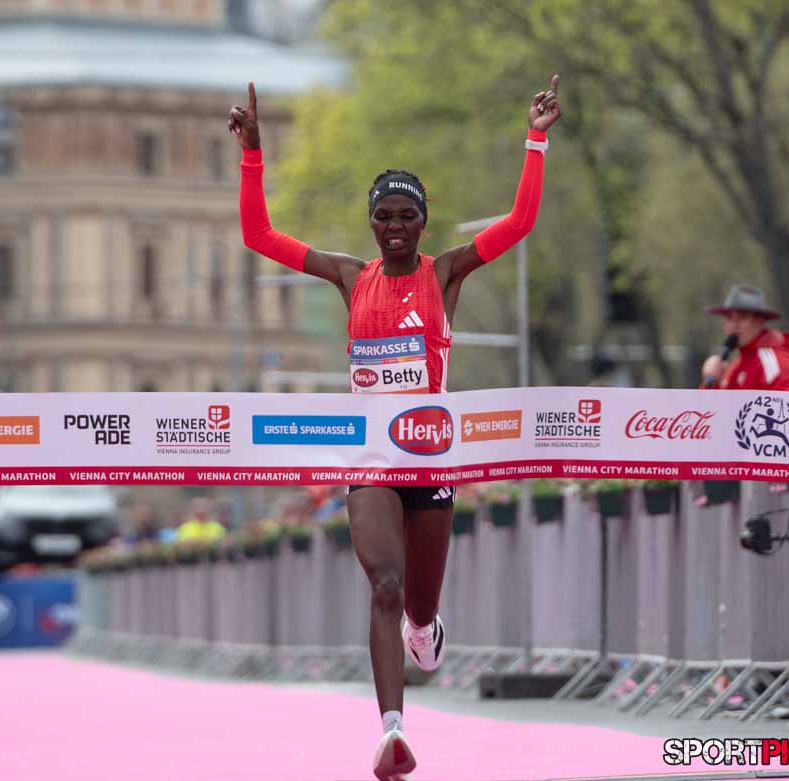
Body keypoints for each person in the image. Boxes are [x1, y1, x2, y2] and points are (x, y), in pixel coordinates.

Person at [230, 75, 560, 780]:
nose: (395, 226)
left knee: (416, 602)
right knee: (383, 581)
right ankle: (391, 732)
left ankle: (424, 627)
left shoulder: (447, 274)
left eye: (407, 215)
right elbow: (258, 234)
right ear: (372, 224)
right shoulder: (351, 278)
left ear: (424, 222)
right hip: (372, 461)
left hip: (431, 462)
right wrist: (253, 153)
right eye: (384, 216)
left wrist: (534, 139)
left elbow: (519, 222)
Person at [700, 284, 789, 391]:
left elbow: (781, 401)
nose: (734, 325)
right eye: (729, 318)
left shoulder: (771, 361)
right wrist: (711, 381)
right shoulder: (736, 366)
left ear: (760, 321)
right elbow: (719, 402)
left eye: (742, 317)